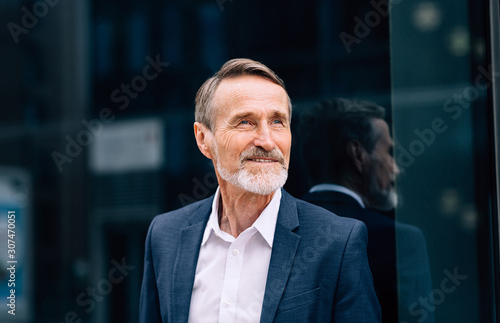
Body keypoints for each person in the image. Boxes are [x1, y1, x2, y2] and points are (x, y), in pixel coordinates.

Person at [139, 59, 381, 323]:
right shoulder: (165, 236)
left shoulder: (338, 242)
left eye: (278, 121)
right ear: (203, 140)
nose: (267, 141)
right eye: (245, 122)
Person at [299, 98, 433, 323]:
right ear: (358, 154)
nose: (396, 168)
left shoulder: (272, 230)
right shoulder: (399, 241)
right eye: (389, 151)